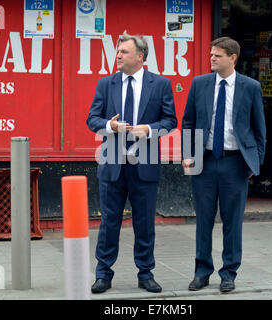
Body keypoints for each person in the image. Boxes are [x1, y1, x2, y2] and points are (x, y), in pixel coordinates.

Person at [86, 32, 177, 294]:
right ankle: (103, 274)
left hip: (145, 163)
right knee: (109, 222)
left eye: (123, 51)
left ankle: (145, 273)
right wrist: (109, 125)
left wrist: (148, 130)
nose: (118, 55)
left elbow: (170, 120)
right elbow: (92, 119)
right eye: (117, 51)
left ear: (140, 57)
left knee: (145, 222)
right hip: (112, 164)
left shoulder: (159, 84)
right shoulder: (106, 84)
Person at [181, 37, 266, 293]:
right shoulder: (200, 84)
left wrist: (255, 161)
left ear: (232, 58)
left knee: (232, 222)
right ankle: (202, 272)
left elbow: (259, 128)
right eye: (211, 55)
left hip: (235, 163)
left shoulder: (250, 87)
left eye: (217, 55)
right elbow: (188, 122)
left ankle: (229, 273)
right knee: (203, 220)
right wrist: (188, 152)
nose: (212, 59)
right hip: (204, 162)